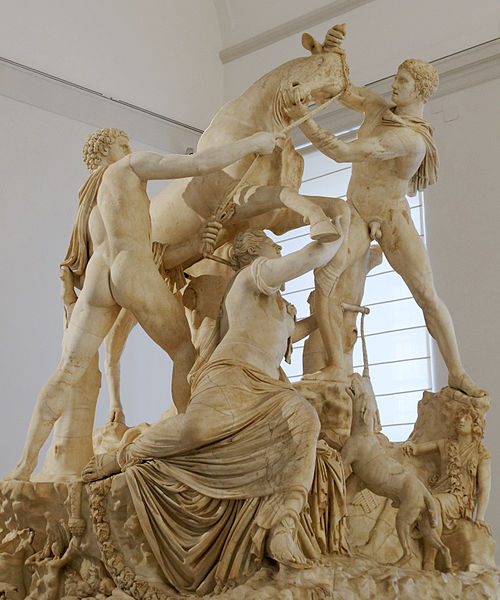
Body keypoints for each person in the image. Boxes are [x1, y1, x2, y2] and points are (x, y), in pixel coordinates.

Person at [82, 221, 347, 593]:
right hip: (231, 378)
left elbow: (293, 332)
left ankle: (283, 524)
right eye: (270, 244)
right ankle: (123, 456)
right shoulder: (250, 278)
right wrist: (337, 229)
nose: (277, 249)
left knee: (305, 418)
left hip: (269, 391)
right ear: (253, 252)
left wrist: (326, 312)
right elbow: (311, 255)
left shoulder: (281, 308)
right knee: (196, 430)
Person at [6, 127, 283, 482]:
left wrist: (196, 245)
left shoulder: (88, 200)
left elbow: (147, 249)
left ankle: (24, 465)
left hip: (99, 276)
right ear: (107, 150)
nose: (129, 148)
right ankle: (192, 448)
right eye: (123, 144)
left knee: (66, 371)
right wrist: (252, 143)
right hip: (130, 268)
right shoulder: (128, 167)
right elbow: (198, 164)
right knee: (184, 352)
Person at [286, 56, 484, 397]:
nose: (394, 84)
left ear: (420, 91)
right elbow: (342, 92)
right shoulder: (377, 107)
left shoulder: (410, 140)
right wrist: (317, 76)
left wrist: (301, 117)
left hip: (392, 216)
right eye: (396, 77)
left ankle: (457, 372)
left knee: (426, 295)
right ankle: (335, 364)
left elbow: (342, 152)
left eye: (403, 81)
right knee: (325, 276)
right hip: (356, 211)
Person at [403, 405, 491, 568]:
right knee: (418, 502)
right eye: (459, 418)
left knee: (433, 504)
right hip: (438, 491)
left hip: (459, 500)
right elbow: (418, 449)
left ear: (474, 425)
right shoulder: (445, 444)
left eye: (467, 418)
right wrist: (409, 445)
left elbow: (485, 488)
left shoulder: (481, 453)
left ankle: (429, 561)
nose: (461, 421)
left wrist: (480, 517)